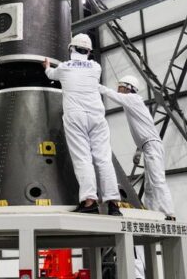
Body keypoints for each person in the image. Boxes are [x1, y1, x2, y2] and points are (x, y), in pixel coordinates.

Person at [99, 76, 176, 279]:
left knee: (157, 181)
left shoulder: (132, 99)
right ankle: (155, 213)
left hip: (151, 145)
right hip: (147, 145)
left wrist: (91, 84)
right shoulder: (132, 103)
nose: (118, 89)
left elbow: (110, 94)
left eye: (121, 87)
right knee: (150, 186)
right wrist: (139, 151)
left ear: (128, 88)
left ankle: (169, 214)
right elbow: (143, 127)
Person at [43, 33, 122, 216]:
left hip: (75, 116)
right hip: (97, 116)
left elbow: (51, 75)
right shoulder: (96, 67)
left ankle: (89, 202)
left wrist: (47, 66)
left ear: (71, 49)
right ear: (88, 51)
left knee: (82, 159)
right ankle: (114, 204)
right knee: (104, 159)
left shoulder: (64, 67)